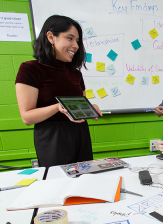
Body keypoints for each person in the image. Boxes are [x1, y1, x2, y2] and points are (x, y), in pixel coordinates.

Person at [15, 15, 101, 167]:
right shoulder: (30, 69)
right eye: (70, 38)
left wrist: (89, 108)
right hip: (52, 137)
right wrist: (57, 107)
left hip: (80, 133)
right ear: (51, 37)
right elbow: (27, 117)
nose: (75, 45)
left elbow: (79, 105)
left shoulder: (75, 73)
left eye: (77, 40)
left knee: (85, 179)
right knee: (59, 183)